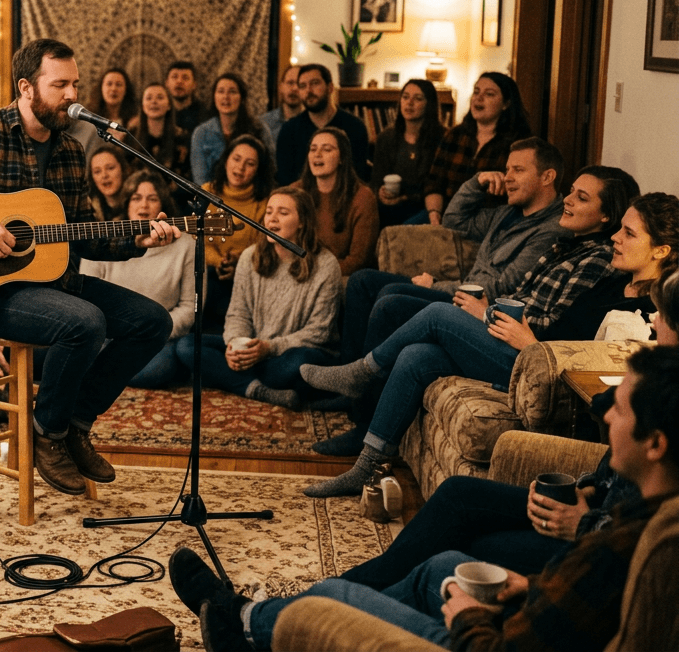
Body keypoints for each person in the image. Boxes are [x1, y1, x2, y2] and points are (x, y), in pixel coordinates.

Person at [169, 343, 679, 651]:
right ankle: (263, 624)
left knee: (335, 601)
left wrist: (469, 617)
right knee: (445, 564)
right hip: (539, 614)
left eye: (622, 409)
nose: (607, 416)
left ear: (655, 444)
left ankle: (244, 622)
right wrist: (531, 588)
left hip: (484, 644)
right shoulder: (648, 512)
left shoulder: (617, 552)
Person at [0, 37, 179, 497]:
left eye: (75, 84)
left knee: (152, 322)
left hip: (49, 282)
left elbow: (79, 234)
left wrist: (137, 239)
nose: (72, 95)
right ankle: (49, 432)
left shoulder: (68, 150)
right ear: (26, 87)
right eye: (59, 84)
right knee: (85, 322)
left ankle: (75, 424)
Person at [300, 167, 645, 497]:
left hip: (533, 361)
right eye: (570, 192)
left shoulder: (600, 263)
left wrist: (489, 315)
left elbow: (556, 329)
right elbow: (524, 298)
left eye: (580, 197)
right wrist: (492, 311)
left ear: (605, 215)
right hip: (513, 338)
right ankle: (368, 468)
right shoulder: (565, 246)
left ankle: (361, 373)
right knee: (417, 356)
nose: (566, 200)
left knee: (436, 314)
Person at [336, 266, 678, 591]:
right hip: (595, 509)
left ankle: (343, 599)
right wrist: (588, 490)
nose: (654, 318)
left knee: (466, 549)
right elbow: (616, 474)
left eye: (663, 314)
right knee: (458, 492)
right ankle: (347, 590)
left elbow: (648, 537)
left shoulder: (662, 400)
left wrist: (584, 524)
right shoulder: (659, 374)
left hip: (597, 543)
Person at [320, 139, 569, 456]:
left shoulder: (551, 229)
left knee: (389, 301)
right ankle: (351, 381)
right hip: (460, 294)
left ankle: (364, 420)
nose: (507, 177)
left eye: (518, 170)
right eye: (506, 169)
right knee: (363, 281)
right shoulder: (507, 213)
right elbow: (455, 219)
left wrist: (438, 285)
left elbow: (502, 287)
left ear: (547, 177)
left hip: (474, 308)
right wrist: (476, 182)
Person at [175, 187, 342, 408]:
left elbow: (320, 332)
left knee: (301, 364)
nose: (272, 218)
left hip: (290, 353)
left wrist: (269, 348)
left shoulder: (326, 264)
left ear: (302, 221)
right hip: (254, 351)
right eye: (269, 212)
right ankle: (257, 389)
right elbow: (237, 313)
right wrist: (235, 346)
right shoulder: (249, 257)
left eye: (283, 212)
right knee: (187, 346)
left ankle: (240, 383)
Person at [81, 170, 193, 388]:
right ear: (126, 203)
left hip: (157, 339)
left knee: (158, 369)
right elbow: (86, 296)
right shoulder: (104, 236)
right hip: (106, 335)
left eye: (152, 199)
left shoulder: (186, 245)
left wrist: (157, 330)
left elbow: (189, 308)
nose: (144, 206)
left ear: (163, 206)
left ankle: (98, 375)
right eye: (136, 198)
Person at [420, 72, 532, 225]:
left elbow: (522, 194)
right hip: (444, 215)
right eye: (476, 92)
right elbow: (434, 183)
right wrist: (434, 215)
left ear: (506, 104)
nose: (479, 98)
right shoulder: (454, 135)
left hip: (488, 223)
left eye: (489, 94)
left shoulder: (520, 145)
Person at [199, 135, 275, 328]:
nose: (240, 168)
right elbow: (195, 239)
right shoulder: (207, 191)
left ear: (258, 170)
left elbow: (263, 246)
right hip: (209, 271)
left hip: (248, 275)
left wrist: (238, 263)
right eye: (236, 159)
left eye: (249, 163)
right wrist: (221, 262)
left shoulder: (265, 201)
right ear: (226, 160)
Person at [296, 127, 380, 276]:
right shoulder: (295, 192)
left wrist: (317, 273)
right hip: (298, 271)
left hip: (340, 275)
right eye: (313, 149)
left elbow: (359, 260)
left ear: (342, 158)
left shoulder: (363, 197)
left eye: (327, 149)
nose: (317, 155)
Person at [274, 64, 371, 184]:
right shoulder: (289, 130)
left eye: (315, 83)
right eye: (303, 86)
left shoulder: (355, 127)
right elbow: (285, 179)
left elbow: (358, 176)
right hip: (301, 199)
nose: (308, 91)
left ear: (330, 88)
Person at [370, 79, 444, 225]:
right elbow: (376, 180)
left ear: (429, 104)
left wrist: (405, 198)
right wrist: (380, 193)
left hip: (424, 208)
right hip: (389, 206)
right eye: (405, 97)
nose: (409, 103)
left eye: (418, 98)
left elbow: (439, 186)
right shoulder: (386, 137)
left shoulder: (442, 138)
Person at [190, 72, 274, 185]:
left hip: (252, 196)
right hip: (212, 196)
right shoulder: (201, 132)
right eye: (220, 91)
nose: (226, 97)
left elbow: (270, 170)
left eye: (232, 92)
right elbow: (200, 179)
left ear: (242, 98)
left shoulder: (259, 128)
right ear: (214, 96)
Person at [127, 82, 190, 184]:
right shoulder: (130, 137)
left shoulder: (182, 137)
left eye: (160, 98)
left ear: (169, 105)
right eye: (149, 98)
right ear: (142, 106)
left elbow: (186, 177)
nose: (154, 102)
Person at [88, 145, 132, 221]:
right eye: (97, 171)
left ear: (123, 169)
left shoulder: (139, 203)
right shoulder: (89, 210)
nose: (104, 175)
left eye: (110, 168)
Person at [258, 65, 302, 140]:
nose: (295, 88)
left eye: (300, 84)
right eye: (290, 83)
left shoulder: (313, 123)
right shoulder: (263, 124)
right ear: (281, 87)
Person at [165, 60, 205, 134]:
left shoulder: (203, 115)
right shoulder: (160, 111)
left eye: (185, 78)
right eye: (174, 77)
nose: (179, 81)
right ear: (167, 83)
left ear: (194, 85)